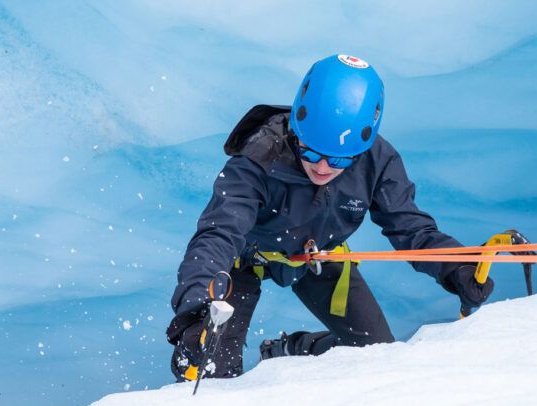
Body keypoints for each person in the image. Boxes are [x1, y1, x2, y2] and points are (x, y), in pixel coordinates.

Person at [166, 54, 493, 381]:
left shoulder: (377, 161)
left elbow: (412, 228)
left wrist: (457, 265)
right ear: (297, 125)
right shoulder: (256, 160)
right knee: (206, 371)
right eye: (311, 151)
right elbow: (218, 235)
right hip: (245, 260)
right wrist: (195, 312)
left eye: (339, 159)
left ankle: (297, 349)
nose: (322, 168)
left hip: (318, 256)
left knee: (375, 354)